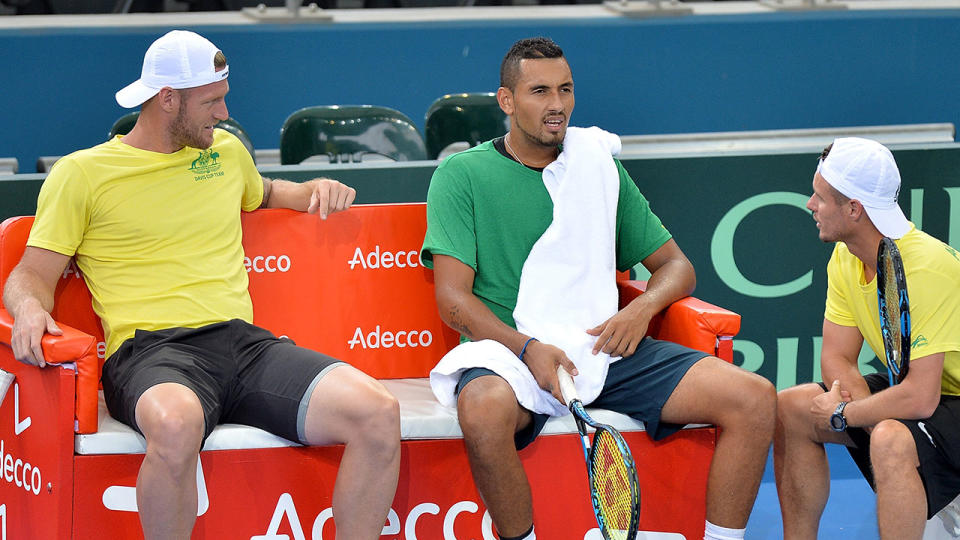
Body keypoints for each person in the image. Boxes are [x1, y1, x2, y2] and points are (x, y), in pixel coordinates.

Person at [2, 30, 399, 540]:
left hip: (245, 345)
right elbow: (31, 274)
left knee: (378, 413)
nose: (224, 111)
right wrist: (30, 309)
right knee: (175, 423)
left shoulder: (227, 152)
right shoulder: (83, 173)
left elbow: (266, 191)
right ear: (167, 100)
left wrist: (312, 190)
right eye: (211, 100)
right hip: (150, 352)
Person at [421, 36, 776, 540]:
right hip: (510, 351)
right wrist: (529, 347)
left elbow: (676, 265)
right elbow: (453, 300)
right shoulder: (462, 175)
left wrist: (643, 307)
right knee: (481, 412)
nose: (557, 105)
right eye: (539, 91)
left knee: (755, 398)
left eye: (565, 90)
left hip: (601, 346)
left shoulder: (597, 166)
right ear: (506, 101)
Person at [774, 137, 960, 539]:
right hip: (929, 392)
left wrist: (847, 415)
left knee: (892, 439)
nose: (810, 205)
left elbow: (920, 397)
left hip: (948, 397)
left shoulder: (929, 268)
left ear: (853, 209)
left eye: (820, 197)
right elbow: (838, 358)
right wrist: (861, 412)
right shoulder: (845, 256)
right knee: (793, 407)